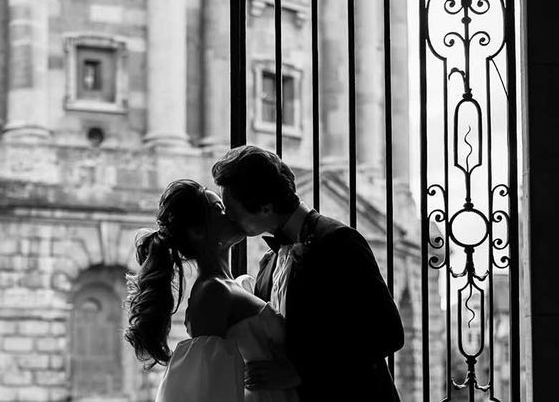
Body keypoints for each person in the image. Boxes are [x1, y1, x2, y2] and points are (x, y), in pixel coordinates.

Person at [212, 145, 404, 402]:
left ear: (265, 207)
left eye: (234, 212)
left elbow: (387, 333)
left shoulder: (339, 241)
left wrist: (301, 372)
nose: (230, 220)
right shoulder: (267, 263)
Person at [125, 179, 300, 402]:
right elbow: (207, 390)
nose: (231, 213)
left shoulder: (232, 286)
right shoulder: (213, 293)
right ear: (198, 231)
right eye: (219, 210)